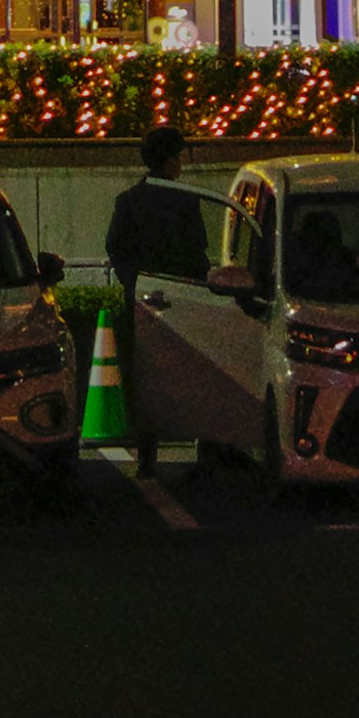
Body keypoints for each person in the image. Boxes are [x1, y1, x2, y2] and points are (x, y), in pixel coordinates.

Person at [101, 126, 204, 478]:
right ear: (170, 159)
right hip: (184, 299)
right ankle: (202, 450)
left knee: (146, 375)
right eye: (179, 156)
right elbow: (197, 254)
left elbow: (116, 247)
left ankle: (147, 457)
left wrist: (136, 283)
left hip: (143, 300)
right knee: (193, 372)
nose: (182, 163)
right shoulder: (186, 200)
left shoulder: (129, 201)